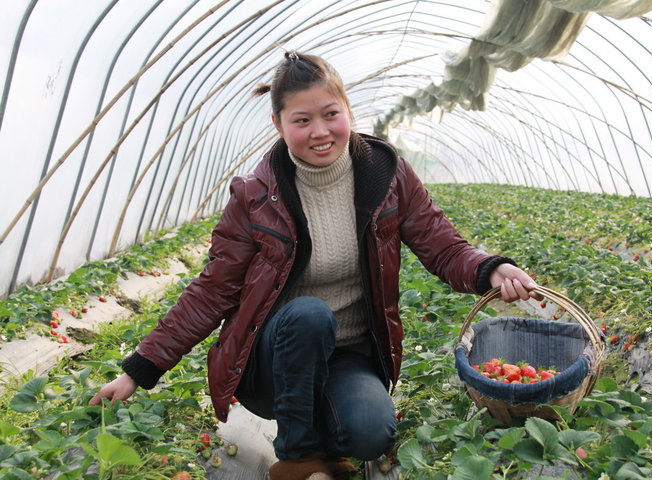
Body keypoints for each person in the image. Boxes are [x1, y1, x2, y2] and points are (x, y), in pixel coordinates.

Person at [90, 51, 541, 480]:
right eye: (301, 120)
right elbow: (213, 290)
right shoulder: (255, 195)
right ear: (278, 124)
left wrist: (489, 268)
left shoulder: (387, 176)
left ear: (348, 110)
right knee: (309, 313)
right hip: (274, 358)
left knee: (370, 434)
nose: (320, 131)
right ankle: (297, 453)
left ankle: (328, 420)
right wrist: (140, 369)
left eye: (330, 114)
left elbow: (442, 246)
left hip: (350, 352)